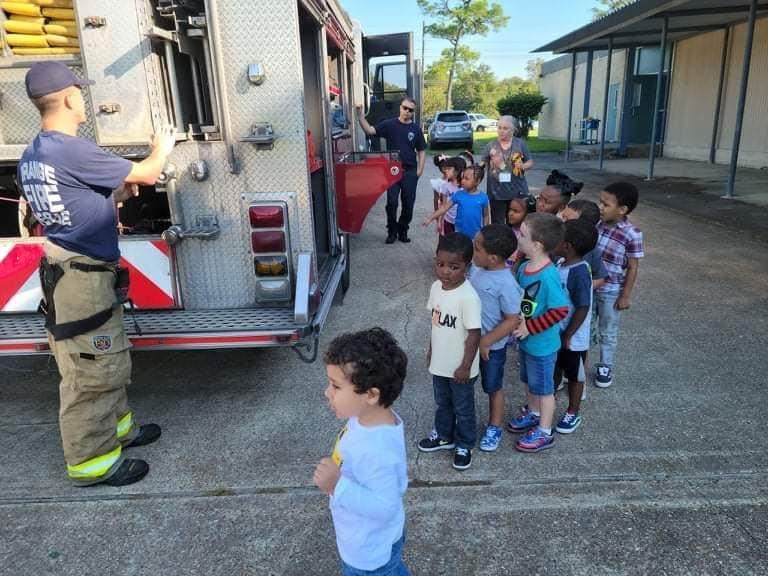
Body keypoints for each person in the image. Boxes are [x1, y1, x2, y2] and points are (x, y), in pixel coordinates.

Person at [17, 61, 176, 486]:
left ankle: (118, 432)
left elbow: (75, 195)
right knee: (91, 372)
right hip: (82, 278)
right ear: (69, 98)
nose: (83, 98)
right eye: (80, 92)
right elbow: (147, 173)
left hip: (75, 275)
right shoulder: (68, 148)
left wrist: (113, 194)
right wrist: (164, 146)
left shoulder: (35, 152)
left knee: (106, 358)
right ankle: (93, 463)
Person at [313, 328, 410, 576]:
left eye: (335, 386)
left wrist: (336, 486)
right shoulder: (366, 419)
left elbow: (385, 507)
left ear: (371, 394)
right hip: (370, 537)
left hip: (369, 552)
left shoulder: (376, 448)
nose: (327, 393)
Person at [418, 233, 481, 471]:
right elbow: (435, 323)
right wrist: (431, 350)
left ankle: (464, 444)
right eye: (440, 264)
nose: (446, 271)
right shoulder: (436, 288)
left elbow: (474, 334)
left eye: (454, 267)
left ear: (467, 266)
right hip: (440, 363)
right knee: (442, 402)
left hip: (460, 367)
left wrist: (465, 366)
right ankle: (444, 436)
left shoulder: (468, 298)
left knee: (463, 408)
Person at [507, 213, 569, 452]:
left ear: (537, 244)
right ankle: (533, 413)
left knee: (544, 389)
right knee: (530, 382)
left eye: (522, 234)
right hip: (526, 343)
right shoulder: (525, 267)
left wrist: (529, 327)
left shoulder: (548, 275)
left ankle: (544, 430)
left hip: (542, 345)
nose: (518, 237)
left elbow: (560, 310)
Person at [468, 225, 522, 452]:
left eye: (476, 248)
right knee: (464, 382)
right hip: (469, 342)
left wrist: (486, 341)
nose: (473, 251)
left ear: (492, 258)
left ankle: (494, 426)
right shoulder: (477, 269)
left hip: (493, 347)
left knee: (493, 386)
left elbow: (512, 320)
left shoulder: (506, 283)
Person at [593, 182, 644, 388]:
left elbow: (632, 267)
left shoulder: (632, 233)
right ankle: (577, 363)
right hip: (591, 286)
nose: (600, 207)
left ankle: (605, 364)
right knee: (585, 325)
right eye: (600, 202)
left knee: (608, 329)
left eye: (606, 204)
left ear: (622, 210)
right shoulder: (596, 224)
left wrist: (625, 295)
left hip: (611, 290)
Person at [356, 96, 427, 244]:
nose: (407, 111)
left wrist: (419, 169)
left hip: (410, 171)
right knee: (392, 203)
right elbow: (369, 130)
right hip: (392, 171)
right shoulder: (389, 125)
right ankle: (392, 231)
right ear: (400, 107)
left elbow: (422, 150)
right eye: (404, 108)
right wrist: (360, 116)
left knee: (408, 204)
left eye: (410, 110)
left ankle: (403, 229)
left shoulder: (416, 129)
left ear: (413, 112)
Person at [553, 219, 597, 434]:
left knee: (575, 376)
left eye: (558, 238)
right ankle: (545, 401)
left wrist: (568, 334)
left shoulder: (578, 272)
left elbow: (582, 307)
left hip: (572, 339)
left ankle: (573, 411)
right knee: (555, 368)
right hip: (558, 332)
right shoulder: (562, 263)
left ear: (567, 245)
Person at [481, 116, 534, 224]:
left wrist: (523, 166)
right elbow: (483, 163)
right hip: (496, 192)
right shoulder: (491, 145)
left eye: (505, 128)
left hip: (517, 191)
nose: (501, 131)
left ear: (513, 130)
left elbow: (530, 162)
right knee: (498, 223)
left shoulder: (520, 143)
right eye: (499, 128)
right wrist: (480, 168)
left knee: (515, 222)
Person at [423, 165, 489, 241]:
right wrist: (430, 218)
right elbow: (444, 208)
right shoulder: (459, 194)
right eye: (463, 177)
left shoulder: (483, 198)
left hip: (475, 236)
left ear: (478, 181)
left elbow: (486, 215)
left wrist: (485, 231)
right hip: (459, 234)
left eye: (466, 179)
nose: (462, 181)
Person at [431, 155, 465, 236]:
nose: (445, 171)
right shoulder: (445, 185)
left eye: (448, 168)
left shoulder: (465, 187)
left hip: (461, 221)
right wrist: (439, 221)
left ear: (457, 171)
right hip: (448, 221)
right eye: (445, 168)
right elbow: (442, 205)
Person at [506, 195, 535, 266]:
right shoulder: (506, 231)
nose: (510, 214)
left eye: (516, 211)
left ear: (528, 214)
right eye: (510, 209)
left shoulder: (529, 235)